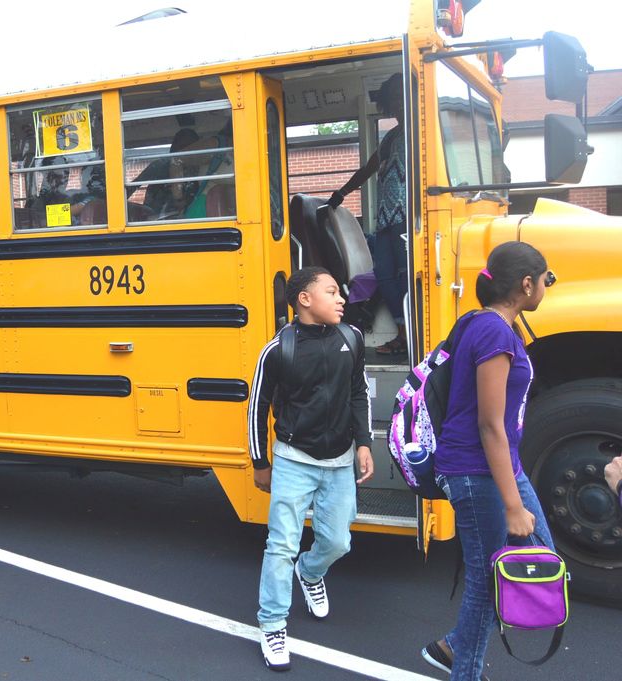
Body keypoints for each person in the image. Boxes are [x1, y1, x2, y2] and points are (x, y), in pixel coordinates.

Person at [421, 241, 556, 681]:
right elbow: (489, 425)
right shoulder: (494, 331)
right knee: (487, 581)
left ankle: (453, 646)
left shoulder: (488, 324)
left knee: (543, 556)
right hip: (474, 471)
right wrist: (513, 505)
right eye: (546, 280)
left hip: (500, 466)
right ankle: (466, 670)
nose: (546, 288)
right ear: (526, 284)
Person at [248, 266, 374, 672]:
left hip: (339, 460)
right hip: (293, 459)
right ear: (304, 299)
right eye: (332, 291)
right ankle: (272, 624)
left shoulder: (352, 338)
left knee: (338, 541)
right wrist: (260, 462)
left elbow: (359, 392)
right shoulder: (278, 348)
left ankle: (311, 571)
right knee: (281, 544)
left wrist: (365, 444)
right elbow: (257, 406)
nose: (342, 299)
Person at [328, 73, 407, 355]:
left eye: (402, 95)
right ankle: (401, 332)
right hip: (386, 217)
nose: (398, 103)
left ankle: (411, 336)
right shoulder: (392, 137)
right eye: (393, 99)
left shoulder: (421, 131)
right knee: (385, 275)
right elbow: (368, 170)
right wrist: (341, 194)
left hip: (408, 217)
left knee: (405, 276)